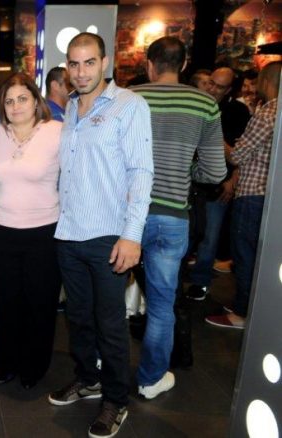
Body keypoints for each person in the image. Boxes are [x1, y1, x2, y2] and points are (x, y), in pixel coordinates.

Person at [46, 33, 153, 438]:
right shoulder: (71, 108)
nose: (81, 71)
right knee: (78, 318)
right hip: (69, 233)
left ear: (105, 63)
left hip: (109, 235)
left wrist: (132, 235)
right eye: (74, 64)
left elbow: (141, 172)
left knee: (110, 324)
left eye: (89, 62)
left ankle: (115, 400)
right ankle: (87, 379)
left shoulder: (129, 105)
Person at [130, 37, 226, 399]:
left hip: (127, 215)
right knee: (161, 304)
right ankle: (151, 379)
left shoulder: (129, 98)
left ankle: (98, 368)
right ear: (184, 65)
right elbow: (215, 172)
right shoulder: (204, 103)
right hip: (172, 215)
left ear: (149, 63)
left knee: (106, 299)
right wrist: (189, 173)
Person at [0, 73, 62, 389]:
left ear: (35, 100)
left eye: (22, 99)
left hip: (43, 233)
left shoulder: (56, 132)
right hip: (1, 231)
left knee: (39, 304)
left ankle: (33, 367)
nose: (15, 106)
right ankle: (7, 364)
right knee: (5, 303)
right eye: (9, 101)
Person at [205, 61, 281, 329]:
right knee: (256, 256)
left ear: (268, 81)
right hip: (269, 195)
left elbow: (237, 155)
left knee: (245, 255)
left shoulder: (268, 112)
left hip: (252, 194)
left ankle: (241, 314)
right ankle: (250, 307)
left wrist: (216, 136)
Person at [185, 67, 251, 300]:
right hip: (191, 180)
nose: (212, 89)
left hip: (219, 184)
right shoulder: (196, 103)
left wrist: (233, 179)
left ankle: (200, 281)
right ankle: (179, 276)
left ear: (229, 89)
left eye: (219, 86)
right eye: (210, 83)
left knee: (210, 235)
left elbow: (242, 153)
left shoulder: (237, 112)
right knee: (186, 232)